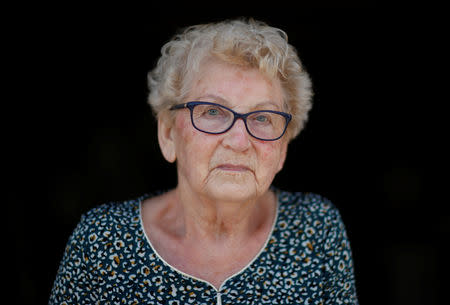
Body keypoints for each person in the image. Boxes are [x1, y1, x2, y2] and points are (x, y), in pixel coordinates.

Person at [49, 18, 358, 304]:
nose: (239, 141)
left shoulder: (315, 230)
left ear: (283, 150)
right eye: (212, 111)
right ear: (168, 134)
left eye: (263, 117)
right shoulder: (103, 242)